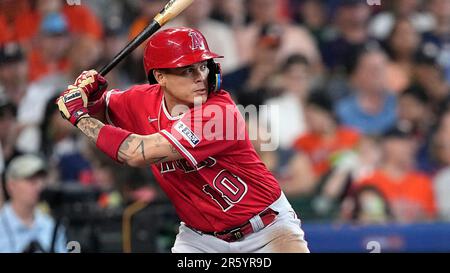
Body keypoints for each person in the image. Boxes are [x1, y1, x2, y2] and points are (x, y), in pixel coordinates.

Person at [56, 27, 309, 253]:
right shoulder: (140, 100)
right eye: (187, 70)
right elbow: (103, 111)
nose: (200, 76)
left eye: (203, 66)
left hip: (266, 229)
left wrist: (80, 116)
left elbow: (136, 153)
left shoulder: (219, 112)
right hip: (200, 239)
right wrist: (90, 96)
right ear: (160, 77)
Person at [0, 154, 67, 253]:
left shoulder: (51, 225)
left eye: (42, 180)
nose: (39, 186)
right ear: (11, 185)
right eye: (31, 180)